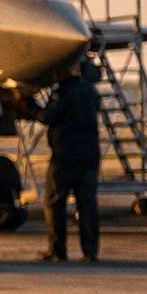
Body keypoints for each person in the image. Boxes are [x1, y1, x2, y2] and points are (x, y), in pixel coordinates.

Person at [39, 59, 101, 262]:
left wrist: (28, 107)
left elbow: (48, 116)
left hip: (66, 155)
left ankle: (58, 250)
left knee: (54, 201)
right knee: (87, 203)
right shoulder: (89, 90)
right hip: (90, 153)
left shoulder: (63, 92)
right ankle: (90, 252)